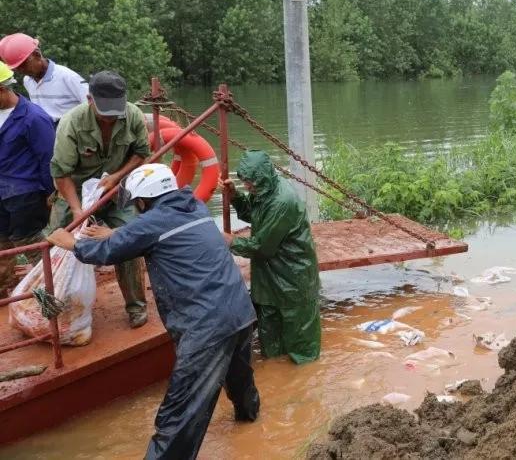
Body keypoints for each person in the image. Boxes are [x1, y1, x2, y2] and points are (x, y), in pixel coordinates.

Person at [47, 163, 260, 459]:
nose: (137, 209)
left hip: (205, 328)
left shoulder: (150, 223)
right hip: (239, 311)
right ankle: (253, 430)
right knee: (240, 382)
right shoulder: (194, 207)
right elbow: (151, 231)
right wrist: (117, 233)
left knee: (179, 416)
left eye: (137, 204)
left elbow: (107, 253)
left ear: (144, 201)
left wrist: (70, 243)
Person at [49, 71, 149, 328]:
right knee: (55, 239)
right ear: (89, 99)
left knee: (128, 238)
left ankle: (136, 306)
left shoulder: (134, 115)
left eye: (116, 110)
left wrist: (116, 177)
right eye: (105, 111)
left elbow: (140, 154)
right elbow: (61, 173)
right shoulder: (71, 123)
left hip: (116, 189)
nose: (111, 118)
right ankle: (55, 307)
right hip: (75, 190)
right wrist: (76, 208)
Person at [222, 150, 321, 364]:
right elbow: (253, 214)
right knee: (270, 336)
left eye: (249, 183)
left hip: (293, 275)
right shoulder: (264, 190)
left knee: (301, 342)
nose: (247, 186)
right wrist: (236, 197)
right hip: (269, 275)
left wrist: (231, 241)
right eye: (245, 182)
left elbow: (262, 247)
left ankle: (303, 385)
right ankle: (276, 370)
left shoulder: (282, 202)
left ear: (262, 178)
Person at [0, 63, 56, 293]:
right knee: (2, 245)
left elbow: (48, 159)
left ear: (2, 89)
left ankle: (54, 295)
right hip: (2, 193)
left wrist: (51, 193)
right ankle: (5, 292)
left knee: (29, 243)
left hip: (26, 193)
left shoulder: (34, 118)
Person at [0, 33, 88, 123]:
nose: (20, 70)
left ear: (37, 54)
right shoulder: (28, 81)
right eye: (16, 67)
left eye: (23, 65)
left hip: (69, 131)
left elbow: (91, 106)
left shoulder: (67, 77)